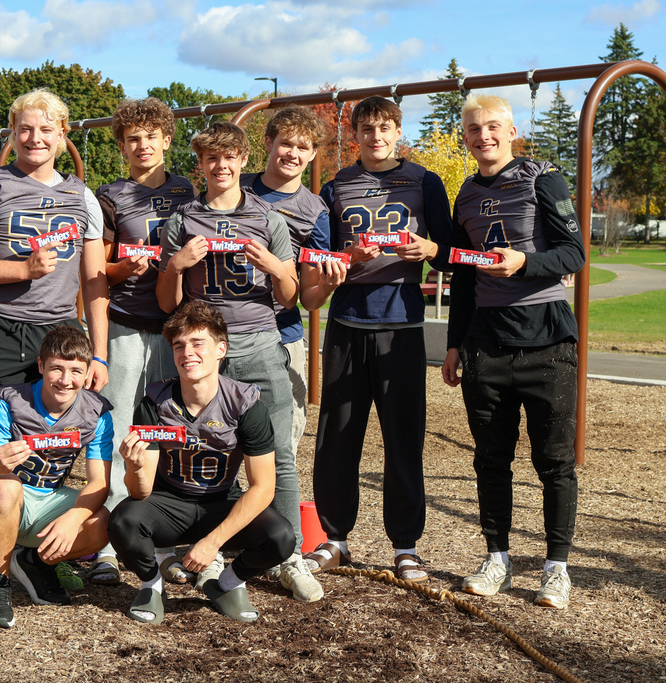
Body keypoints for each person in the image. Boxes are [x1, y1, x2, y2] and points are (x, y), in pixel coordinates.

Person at [0, 87, 110, 606]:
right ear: (12, 133)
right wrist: (21, 269)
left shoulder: (83, 196)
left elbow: (94, 280)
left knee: (60, 448)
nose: (34, 138)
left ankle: (36, 551)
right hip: (0, 330)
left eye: (45, 129)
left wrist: (98, 353)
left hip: (59, 335)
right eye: (24, 129)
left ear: (63, 134)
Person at [156, 121, 322, 602]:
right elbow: (168, 303)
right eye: (212, 158)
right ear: (202, 164)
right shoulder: (183, 219)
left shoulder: (268, 219)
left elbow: (290, 296)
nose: (221, 166)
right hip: (204, 351)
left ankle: (286, 554)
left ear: (244, 160)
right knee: (203, 452)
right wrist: (176, 265)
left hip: (259, 343)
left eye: (229, 158)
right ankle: (207, 553)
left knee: (279, 455)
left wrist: (275, 267)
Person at [302, 95, 454, 582]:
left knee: (403, 437)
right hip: (348, 322)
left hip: (404, 324)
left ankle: (405, 544)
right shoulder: (336, 185)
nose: (376, 137)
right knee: (337, 436)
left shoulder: (425, 181)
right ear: (355, 134)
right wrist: (351, 255)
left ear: (397, 131)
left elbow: (452, 252)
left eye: (385, 128)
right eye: (367, 129)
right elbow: (320, 257)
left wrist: (429, 248)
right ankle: (334, 538)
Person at [442, 93, 583, 609]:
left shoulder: (541, 176)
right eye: (475, 129)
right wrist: (454, 343)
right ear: (466, 136)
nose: (485, 137)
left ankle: (556, 567)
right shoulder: (465, 193)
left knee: (555, 461)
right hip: (486, 343)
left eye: (494, 127)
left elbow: (575, 252)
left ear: (512, 128)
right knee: (490, 459)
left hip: (547, 339)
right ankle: (497, 555)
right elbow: (461, 276)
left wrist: (522, 263)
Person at [109, 301, 294, 623]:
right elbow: (141, 492)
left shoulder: (246, 404)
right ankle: (152, 585)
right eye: (179, 345)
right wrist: (134, 467)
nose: (187, 353)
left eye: (198, 343)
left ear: (221, 349)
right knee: (123, 520)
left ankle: (228, 584)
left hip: (221, 499)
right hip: (171, 502)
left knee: (282, 537)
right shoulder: (155, 402)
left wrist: (212, 543)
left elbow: (263, 487)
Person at [88, 97, 194, 585]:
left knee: (172, 435)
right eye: (133, 138)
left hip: (176, 328)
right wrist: (121, 268)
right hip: (129, 324)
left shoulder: (189, 191)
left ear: (167, 140)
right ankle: (106, 542)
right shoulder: (108, 196)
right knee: (117, 432)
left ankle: (168, 538)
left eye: (152, 136)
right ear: (122, 145)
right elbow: (97, 271)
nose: (143, 144)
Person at [0, 326, 113, 629]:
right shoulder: (9, 404)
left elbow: (99, 483)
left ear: (87, 373)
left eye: (75, 371)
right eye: (56, 368)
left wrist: (74, 518)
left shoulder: (96, 413)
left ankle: (34, 563)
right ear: (40, 366)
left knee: (105, 523)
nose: (65, 380)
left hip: (46, 503)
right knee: (6, 484)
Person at [240, 105, 330, 457]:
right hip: (228, 325)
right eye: (286, 143)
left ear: (313, 154)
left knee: (282, 445)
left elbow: (308, 297)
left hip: (281, 330)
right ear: (268, 143)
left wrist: (327, 286)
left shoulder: (314, 211)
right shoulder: (235, 184)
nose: (293, 153)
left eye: (303, 147)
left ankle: (279, 512)